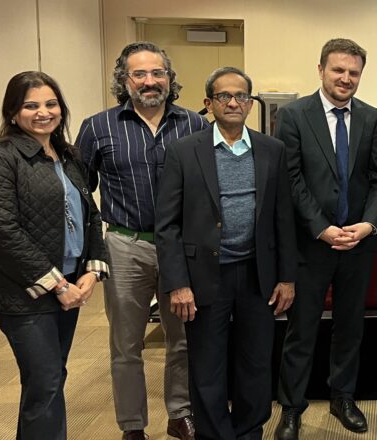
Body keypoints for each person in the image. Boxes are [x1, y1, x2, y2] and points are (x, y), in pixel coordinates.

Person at [155, 67, 297, 439]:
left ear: (251, 103)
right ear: (208, 103)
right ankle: (215, 434)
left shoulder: (272, 149)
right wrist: (177, 283)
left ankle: (250, 431)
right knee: (207, 364)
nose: (233, 102)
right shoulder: (184, 151)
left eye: (241, 96)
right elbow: (166, 225)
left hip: (258, 275)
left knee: (254, 362)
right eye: (224, 96)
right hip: (204, 277)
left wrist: (286, 277)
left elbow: (284, 218)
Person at [76, 41, 206, 440]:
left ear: (170, 78)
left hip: (181, 250)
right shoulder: (97, 127)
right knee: (126, 344)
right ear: (124, 80)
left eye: (158, 73)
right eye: (140, 74)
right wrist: (90, 255)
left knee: (182, 338)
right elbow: (80, 193)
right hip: (124, 246)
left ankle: (180, 413)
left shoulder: (196, 125)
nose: (150, 82)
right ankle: (132, 425)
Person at [0, 71, 109, 439]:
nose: (43, 112)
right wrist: (58, 284)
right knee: (45, 381)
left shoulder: (68, 155)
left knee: (49, 380)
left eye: (51, 104)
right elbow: (2, 233)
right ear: (13, 112)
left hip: (68, 284)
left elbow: (91, 215)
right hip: (24, 294)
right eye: (31, 105)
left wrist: (91, 272)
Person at [275, 38, 377, 438]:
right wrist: (321, 227)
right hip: (311, 244)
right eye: (338, 70)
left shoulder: (371, 117)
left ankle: (343, 396)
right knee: (301, 329)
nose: (346, 78)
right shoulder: (292, 116)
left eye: (354, 72)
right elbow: (290, 179)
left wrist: (369, 224)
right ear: (321, 69)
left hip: (357, 244)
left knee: (349, 326)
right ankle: (291, 406)